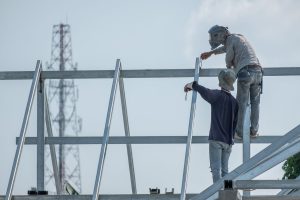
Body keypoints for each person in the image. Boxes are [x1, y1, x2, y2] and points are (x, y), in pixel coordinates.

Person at [201, 25, 263, 139]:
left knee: (241, 104)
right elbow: (225, 48)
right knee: (255, 103)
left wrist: (229, 69)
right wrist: (211, 53)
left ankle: (238, 132)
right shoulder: (238, 38)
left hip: (245, 72)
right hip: (258, 71)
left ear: (220, 34)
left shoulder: (230, 40)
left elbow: (228, 56)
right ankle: (254, 130)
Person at [184, 69, 239, 183]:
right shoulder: (235, 102)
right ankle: (226, 193)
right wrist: (231, 139)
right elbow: (235, 123)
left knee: (216, 170)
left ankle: (217, 194)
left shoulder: (217, 95)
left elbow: (205, 92)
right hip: (228, 142)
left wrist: (193, 85)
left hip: (216, 139)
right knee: (225, 171)